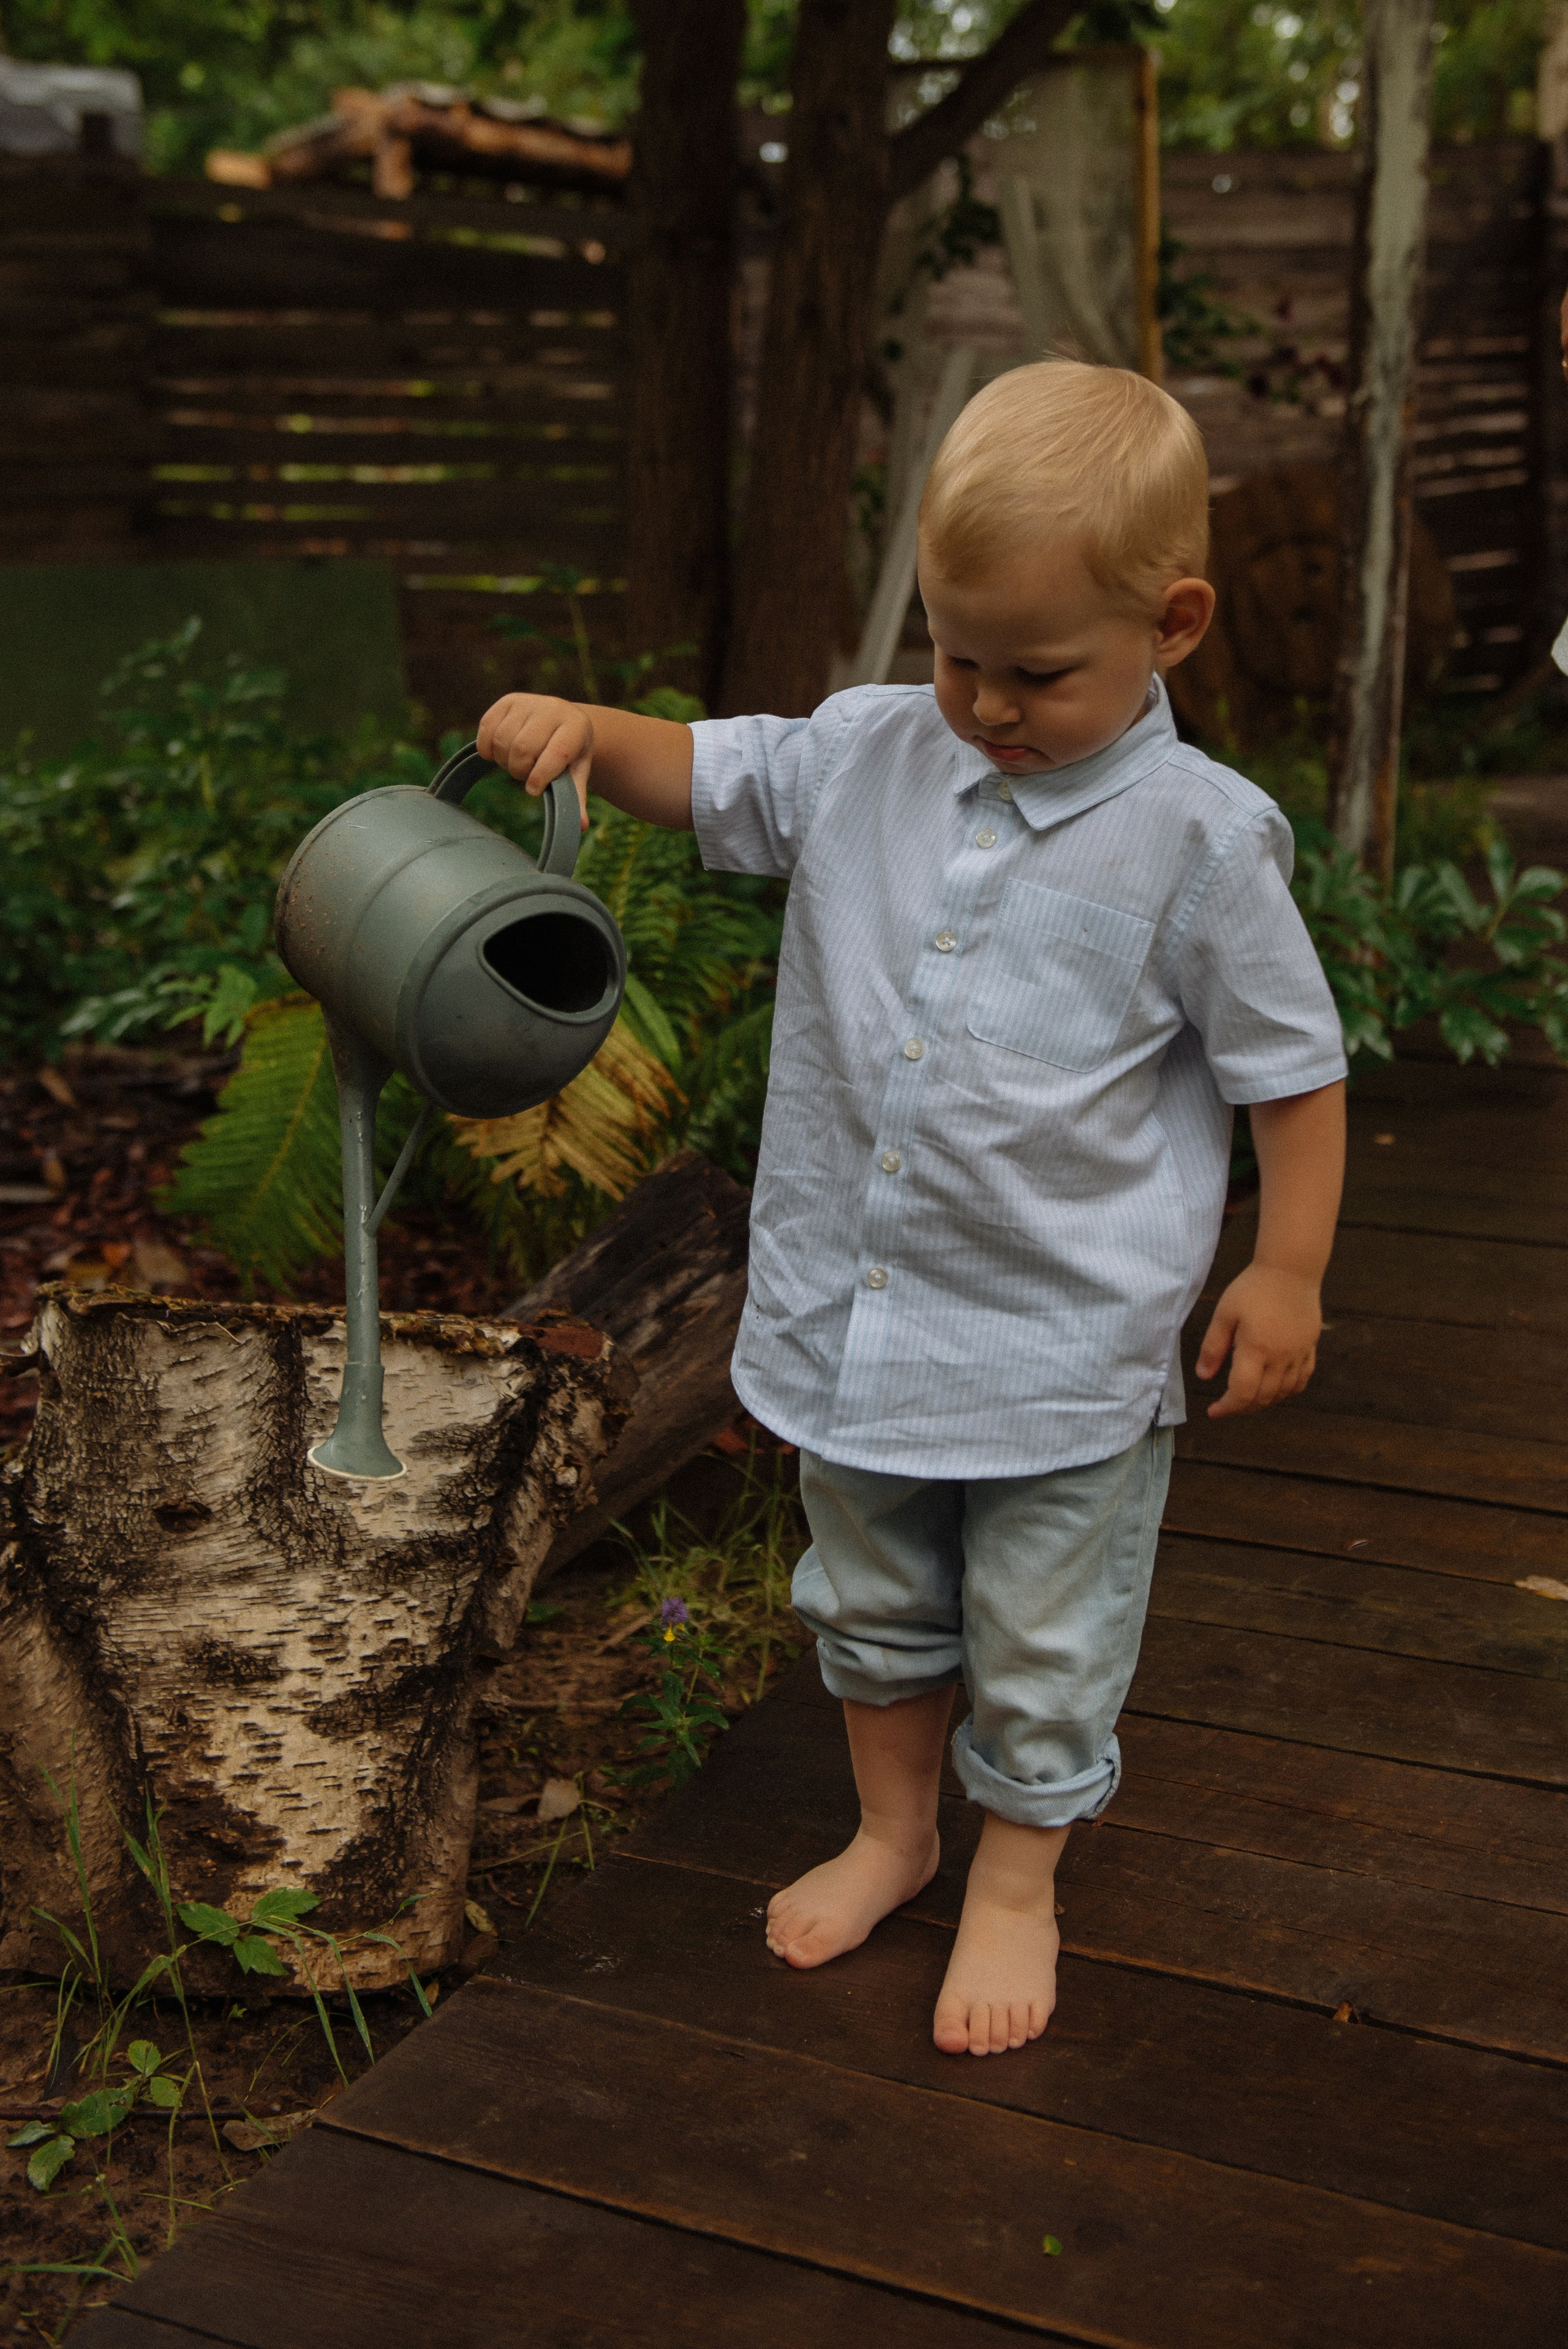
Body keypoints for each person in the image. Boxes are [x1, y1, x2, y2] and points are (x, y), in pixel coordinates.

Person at [477, 359, 1347, 2060]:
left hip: (1062, 1344)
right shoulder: (874, 750)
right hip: (856, 1311)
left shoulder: (1199, 842)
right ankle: (895, 1829)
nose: (987, 703)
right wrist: (590, 735)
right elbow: (710, 772)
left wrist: (1291, 1263)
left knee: (1042, 1626)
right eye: (957, 654)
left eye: (1037, 672)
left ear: (1173, 625)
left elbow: (1293, 1074)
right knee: (867, 1597)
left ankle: (1020, 1876)